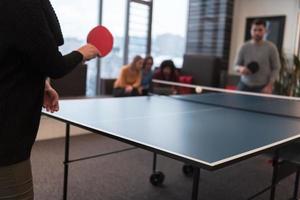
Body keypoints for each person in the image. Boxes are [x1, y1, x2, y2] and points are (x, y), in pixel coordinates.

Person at [0, 0, 99, 199]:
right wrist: (82, 54)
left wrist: (41, 83)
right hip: (6, 140)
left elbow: (13, 54)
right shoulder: (24, 4)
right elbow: (54, 64)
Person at [234, 19, 281, 93]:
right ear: (251, 31)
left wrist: (269, 85)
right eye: (254, 30)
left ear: (265, 31)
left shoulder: (271, 47)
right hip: (244, 85)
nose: (257, 32)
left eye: (260, 30)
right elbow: (235, 66)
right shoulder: (243, 47)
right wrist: (241, 69)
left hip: (262, 87)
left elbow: (276, 68)